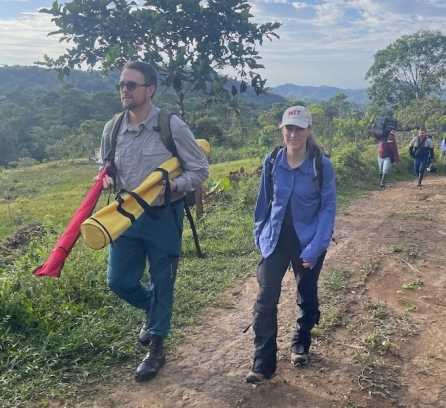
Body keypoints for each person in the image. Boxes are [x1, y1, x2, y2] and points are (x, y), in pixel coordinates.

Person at [94, 61, 209, 382]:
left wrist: (175, 185)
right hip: (125, 218)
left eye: (132, 84)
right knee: (119, 281)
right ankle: (153, 310)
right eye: (121, 85)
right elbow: (108, 167)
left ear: (150, 89)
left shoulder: (171, 126)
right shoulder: (112, 128)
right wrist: (105, 178)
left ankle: (156, 347)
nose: (125, 90)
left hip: (163, 217)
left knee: (163, 282)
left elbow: (200, 169)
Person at [246, 106, 336, 384]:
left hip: (308, 241)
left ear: (309, 130)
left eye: (299, 128)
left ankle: (301, 342)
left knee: (305, 292)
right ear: (282, 130)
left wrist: (316, 248)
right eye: (289, 128)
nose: (293, 133)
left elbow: (327, 209)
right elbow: (263, 201)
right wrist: (260, 235)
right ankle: (263, 363)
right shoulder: (272, 160)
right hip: (274, 241)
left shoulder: (322, 165)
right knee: (264, 299)